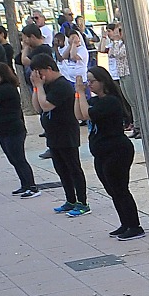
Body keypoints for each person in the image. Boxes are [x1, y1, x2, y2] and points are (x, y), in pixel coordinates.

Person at [76, 65, 143, 239]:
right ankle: (125, 223)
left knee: (120, 188)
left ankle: (134, 226)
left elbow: (87, 114)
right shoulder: (96, 101)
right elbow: (79, 114)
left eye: (92, 81)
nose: (89, 84)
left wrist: (81, 93)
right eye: (88, 81)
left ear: (103, 81)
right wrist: (78, 94)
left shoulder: (111, 101)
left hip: (116, 150)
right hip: (101, 152)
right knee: (112, 189)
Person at [31, 57, 90, 216]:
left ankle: (82, 202)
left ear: (49, 69)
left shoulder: (62, 85)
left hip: (66, 132)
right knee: (61, 169)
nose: (38, 76)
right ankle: (70, 199)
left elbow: (46, 105)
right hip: (53, 134)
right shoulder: (46, 86)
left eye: (40, 72)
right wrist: (36, 87)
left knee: (73, 168)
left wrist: (39, 86)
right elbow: (38, 107)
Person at [0, 63, 40, 198]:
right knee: (12, 159)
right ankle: (24, 185)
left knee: (19, 159)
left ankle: (32, 186)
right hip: (2, 130)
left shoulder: (7, 88)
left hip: (13, 129)